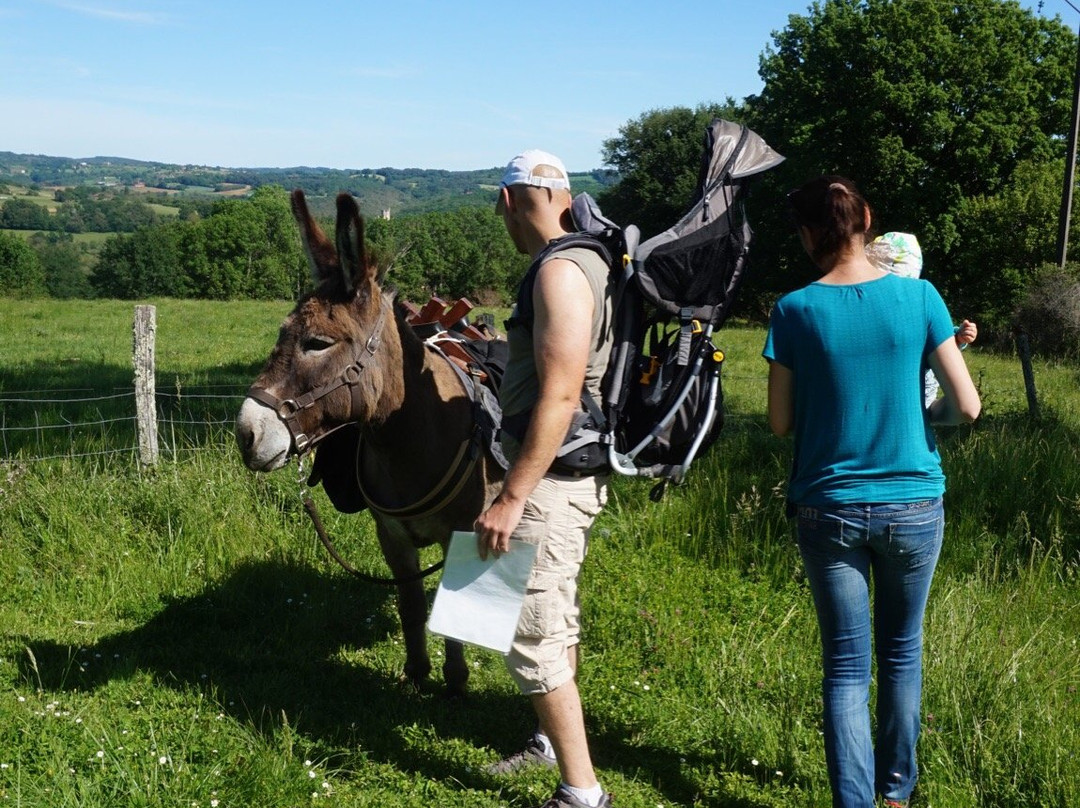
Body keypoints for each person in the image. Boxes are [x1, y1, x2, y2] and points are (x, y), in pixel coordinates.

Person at [763, 176, 981, 808]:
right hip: (915, 504)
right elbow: (965, 408)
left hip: (827, 507)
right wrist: (920, 418)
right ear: (866, 222)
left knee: (846, 669)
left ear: (808, 234)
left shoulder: (794, 309)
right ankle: (896, 795)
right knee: (902, 656)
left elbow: (779, 423)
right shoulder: (921, 298)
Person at [474, 149, 614, 808]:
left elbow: (559, 395)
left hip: (549, 481)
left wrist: (511, 495)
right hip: (557, 474)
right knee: (548, 620)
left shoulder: (559, 271)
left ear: (508, 202)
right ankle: (551, 742)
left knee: (532, 638)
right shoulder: (583, 258)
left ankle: (580, 793)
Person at [864, 232, 978, 408]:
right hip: (888, 401)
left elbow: (936, 342)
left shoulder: (920, 307)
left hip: (919, 400)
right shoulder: (868, 312)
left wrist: (958, 338)